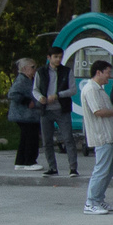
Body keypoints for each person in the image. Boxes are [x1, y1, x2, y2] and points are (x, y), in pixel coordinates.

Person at [79, 59, 113, 215]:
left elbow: (106, 109)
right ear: (98, 72)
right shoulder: (91, 89)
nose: (109, 76)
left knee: (109, 170)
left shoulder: (99, 89)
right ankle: (91, 202)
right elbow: (98, 111)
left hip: (110, 135)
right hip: (102, 136)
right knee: (101, 170)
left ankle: (99, 199)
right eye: (107, 73)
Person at [38, 45, 81, 177]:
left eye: (60, 57)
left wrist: (58, 95)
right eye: (55, 57)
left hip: (62, 109)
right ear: (49, 58)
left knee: (68, 138)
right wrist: (40, 97)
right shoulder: (41, 72)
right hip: (46, 110)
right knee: (47, 141)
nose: (58, 59)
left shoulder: (67, 71)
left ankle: (73, 167)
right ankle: (52, 167)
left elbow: (73, 90)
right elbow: (35, 89)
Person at [7, 57, 42, 170]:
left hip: (27, 115)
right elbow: (12, 94)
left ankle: (20, 161)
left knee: (25, 137)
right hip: (24, 115)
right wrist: (26, 101)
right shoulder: (22, 80)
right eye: (32, 67)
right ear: (25, 68)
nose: (35, 69)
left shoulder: (28, 79)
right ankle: (29, 161)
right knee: (31, 137)